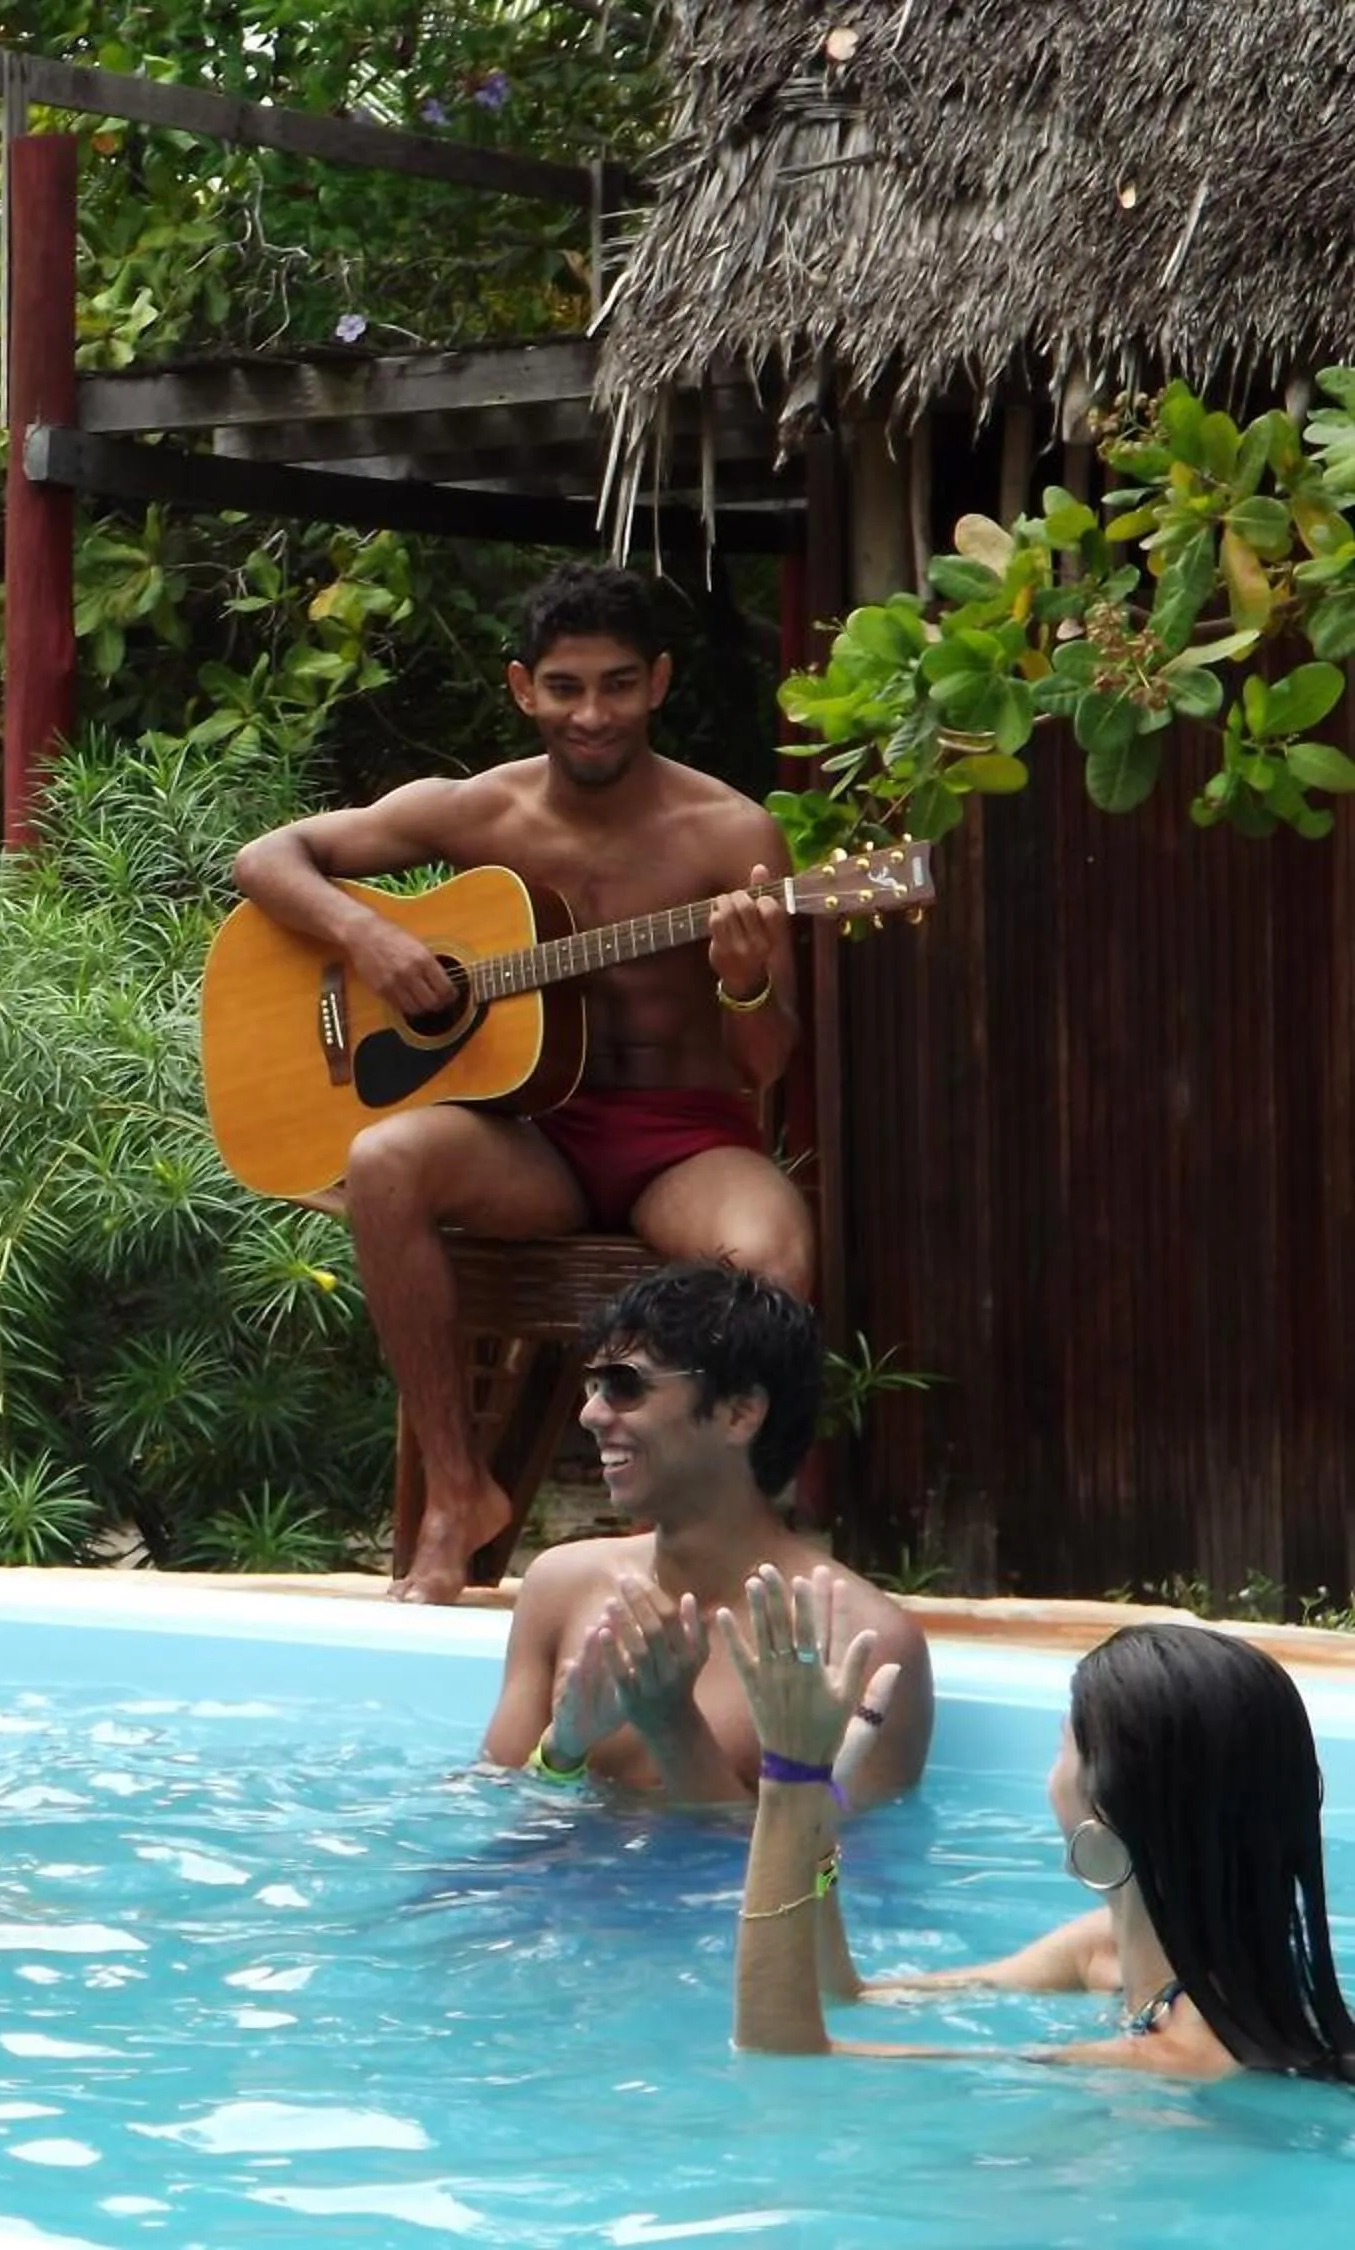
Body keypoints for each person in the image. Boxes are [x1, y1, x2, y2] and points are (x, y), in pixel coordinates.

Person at [231, 562, 812, 1603]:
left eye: (620, 684)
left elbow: (766, 1062)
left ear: (661, 682)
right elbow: (269, 858)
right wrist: (367, 936)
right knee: (383, 1159)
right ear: (521, 688)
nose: (593, 714)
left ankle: (711, 1531)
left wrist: (741, 981)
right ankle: (460, 1494)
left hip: (681, 1139)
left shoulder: (731, 836)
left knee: (771, 1255)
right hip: (533, 1135)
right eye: (566, 687)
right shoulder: (475, 811)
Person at [724, 1566, 1355, 2080]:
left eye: (1060, 1747)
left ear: (1107, 1817)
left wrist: (785, 1780)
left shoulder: (1167, 2064)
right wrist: (818, 1826)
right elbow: (846, 1995)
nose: (1049, 1773)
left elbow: (780, 2057)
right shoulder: (1123, 1950)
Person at [478, 1261, 931, 1806]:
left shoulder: (864, 1642)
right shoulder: (561, 1587)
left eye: (624, 1385)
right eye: (593, 1385)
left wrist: (672, 1724)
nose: (591, 1414)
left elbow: (823, 1878)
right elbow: (493, 1817)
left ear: (740, 1413)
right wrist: (562, 1750)